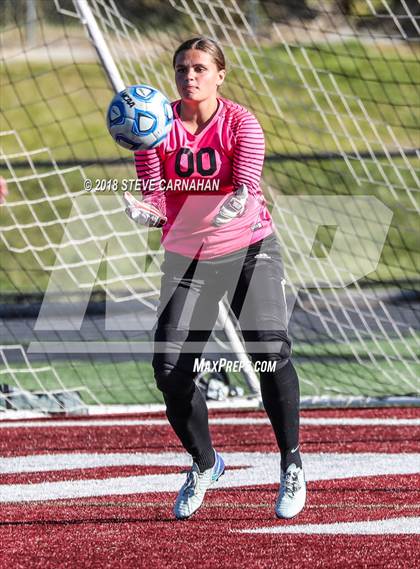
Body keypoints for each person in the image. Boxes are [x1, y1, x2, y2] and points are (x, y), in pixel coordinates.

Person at [124, 37, 306, 520]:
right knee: (170, 373)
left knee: (268, 352)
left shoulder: (241, 122)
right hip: (187, 259)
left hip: (249, 251)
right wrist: (148, 210)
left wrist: (236, 201)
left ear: (219, 75)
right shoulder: (154, 123)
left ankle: (291, 464)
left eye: (200, 68)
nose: (190, 76)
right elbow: (156, 194)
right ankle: (206, 462)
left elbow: (247, 185)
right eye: (183, 68)